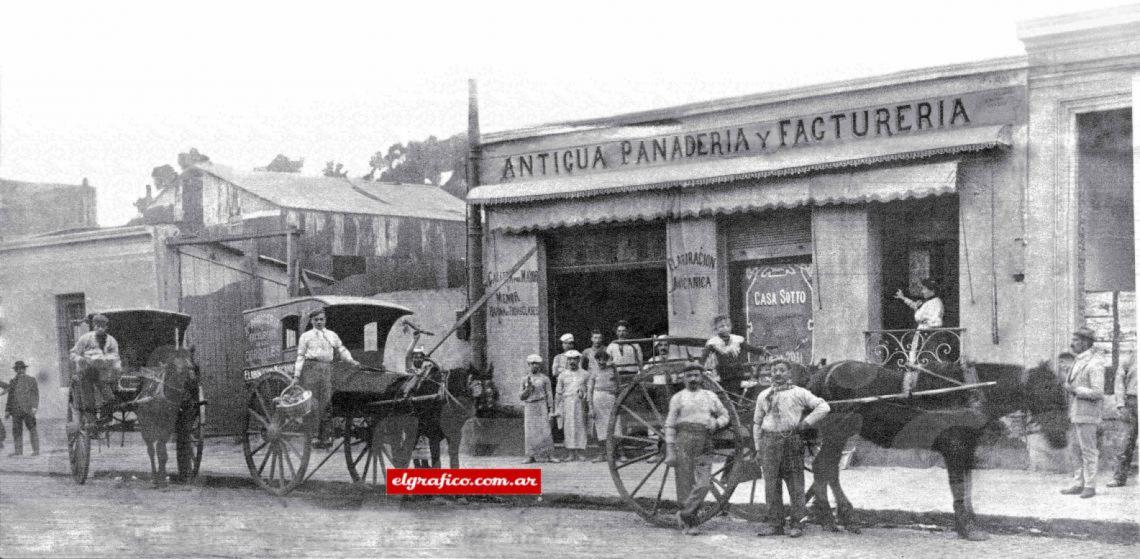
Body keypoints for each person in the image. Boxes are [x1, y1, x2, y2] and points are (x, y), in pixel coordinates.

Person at [753, 359, 831, 538]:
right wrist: (758, 448)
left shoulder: (799, 393)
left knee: (795, 483)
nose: (777, 374)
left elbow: (823, 407)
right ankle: (775, 524)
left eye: (781, 370)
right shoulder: (763, 395)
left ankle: (797, 523)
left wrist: (806, 423)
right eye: (773, 371)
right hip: (769, 442)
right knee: (771, 485)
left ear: (789, 373)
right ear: (770, 374)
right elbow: (757, 422)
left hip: (791, 441)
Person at [663, 367, 729, 535]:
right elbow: (670, 424)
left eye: (696, 375)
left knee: (704, 484)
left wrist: (716, 423)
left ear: (701, 378)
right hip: (683, 440)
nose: (693, 378)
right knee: (684, 484)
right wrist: (670, 449)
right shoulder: (678, 398)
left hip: (705, 440)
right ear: (683, 378)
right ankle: (691, 523)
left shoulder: (710, 396)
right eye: (689, 375)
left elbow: (725, 415)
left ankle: (684, 514)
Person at [294, 308, 359, 448]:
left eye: (321, 319)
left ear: (325, 320)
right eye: (316, 319)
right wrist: (296, 375)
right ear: (312, 321)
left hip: (327, 370)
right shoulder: (306, 336)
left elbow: (341, 349)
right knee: (313, 403)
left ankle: (327, 436)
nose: (319, 322)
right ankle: (314, 437)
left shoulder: (332, 335)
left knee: (326, 403)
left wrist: (351, 360)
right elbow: (300, 356)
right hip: (311, 369)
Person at [1060, 326, 1106, 498]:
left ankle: (1090, 485)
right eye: (1073, 340)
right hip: (1075, 413)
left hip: (1087, 414)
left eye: (1076, 340)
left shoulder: (1095, 362)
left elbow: (1098, 392)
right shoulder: (1078, 360)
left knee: (1088, 450)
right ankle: (1078, 483)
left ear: (1085, 343)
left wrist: (1075, 389)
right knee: (1074, 449)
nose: (1072, 344)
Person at [894, 278, 945, 394]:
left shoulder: (936, 303)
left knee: (924, 360)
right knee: (916, 359)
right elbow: (917, 308)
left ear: (932, 290)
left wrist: (925, 324)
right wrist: (903, 298)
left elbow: (937, 322)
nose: (922, 291)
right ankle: (912, 386)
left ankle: (922, 388)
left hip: (927, 336)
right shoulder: (928, 302)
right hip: (921, 334)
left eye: (924, 289)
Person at [69, 313, 121, 424]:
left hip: (103, 373)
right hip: (86, 372)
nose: (100, 329)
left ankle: (105, 419)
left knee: (110, 398)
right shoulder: (85, 338)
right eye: (97, 326)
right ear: (93, 326)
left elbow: (116, 357)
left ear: (106, 327)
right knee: (89, 400)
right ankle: (92, 424)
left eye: (102, 326)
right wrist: (80, 359)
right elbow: (73, 353)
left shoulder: (111, 341)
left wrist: (116, 368)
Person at [585, 331, 618, 462]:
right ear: (596, 360)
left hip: (611, 400)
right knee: (600, 428)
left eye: (604, 359)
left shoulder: (612, 370)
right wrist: (591, 408)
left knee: (614, 426)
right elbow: (590, 390)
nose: (601, 362)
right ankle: (602, 454)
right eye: (599, 359)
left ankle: (613, 454)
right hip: (597, 400)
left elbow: (618, 384)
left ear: (607, 359)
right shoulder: (593, 372)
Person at [1108, 351, 1137, 488]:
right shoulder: (1131, 355)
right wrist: (1120, 403)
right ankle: (1119, 477)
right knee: (1125, 441)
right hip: (1132, 402)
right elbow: (1119, 380)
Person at [555, 350, 589, 461]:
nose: (572, 361)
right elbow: (559, 392)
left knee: (580, 426)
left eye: (574, 359)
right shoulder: (562, 375)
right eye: (570, 359)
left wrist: (584, 394)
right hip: (567, 403)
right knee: (569, 427)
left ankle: (579, 452)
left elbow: (589, 389)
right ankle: (570, 453)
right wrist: (556, 408)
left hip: (580, 403)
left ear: (578, 360)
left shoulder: (585, 374)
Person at [520, 354, 555, 464]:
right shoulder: (524, 379)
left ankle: (550, 455)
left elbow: (549, 394)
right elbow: (521, 396)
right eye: (532, 364)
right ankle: (530, 456)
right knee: (530, 431)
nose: (534, 366)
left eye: (536, 364)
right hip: (530, 405)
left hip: (541, 404)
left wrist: (551, 409)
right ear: (528, 365)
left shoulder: (545, 379)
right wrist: (528, 389)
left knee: (545, 430)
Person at [5, 361, 39, 457]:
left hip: (28, 409)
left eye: (22, 368)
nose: (20, 370)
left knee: (32, 429)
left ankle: (36, 450)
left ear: (24, 369)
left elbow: (35, 395)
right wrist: (7, 410)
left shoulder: (31, 380)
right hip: (15, 410)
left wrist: (34, 407)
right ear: (16, 370)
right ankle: (18, 451)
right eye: (18, 369)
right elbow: (10, 397)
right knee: (16, 431)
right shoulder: (13, 381)